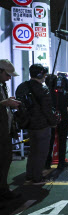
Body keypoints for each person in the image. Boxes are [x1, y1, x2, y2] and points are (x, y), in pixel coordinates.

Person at [16, 64, 57, 184]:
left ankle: (29, 174)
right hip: (42, 125)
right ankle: (37, 177)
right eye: (44, 74)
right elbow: (47, 110)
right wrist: (53, 123)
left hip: (28, 124)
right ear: (40, 74)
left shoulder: (22, 87)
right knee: (42, 152)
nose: (45, 77)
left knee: (33, 150)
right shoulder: (43, 89)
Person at [0, 59, 22, 199]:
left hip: (5, 130)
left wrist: (8, 101)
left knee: (5, 161)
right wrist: (5, 102)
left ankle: (4, 190)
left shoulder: (2, 86)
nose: (9, 78)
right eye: (7, 75)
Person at [45, 74, 68, 170]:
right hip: (63, 118)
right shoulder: (63, 93)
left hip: (50, 119)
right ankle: (61, 162)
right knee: (62, 141)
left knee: (49, 141)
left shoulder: (46, 92)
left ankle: (47, 163)